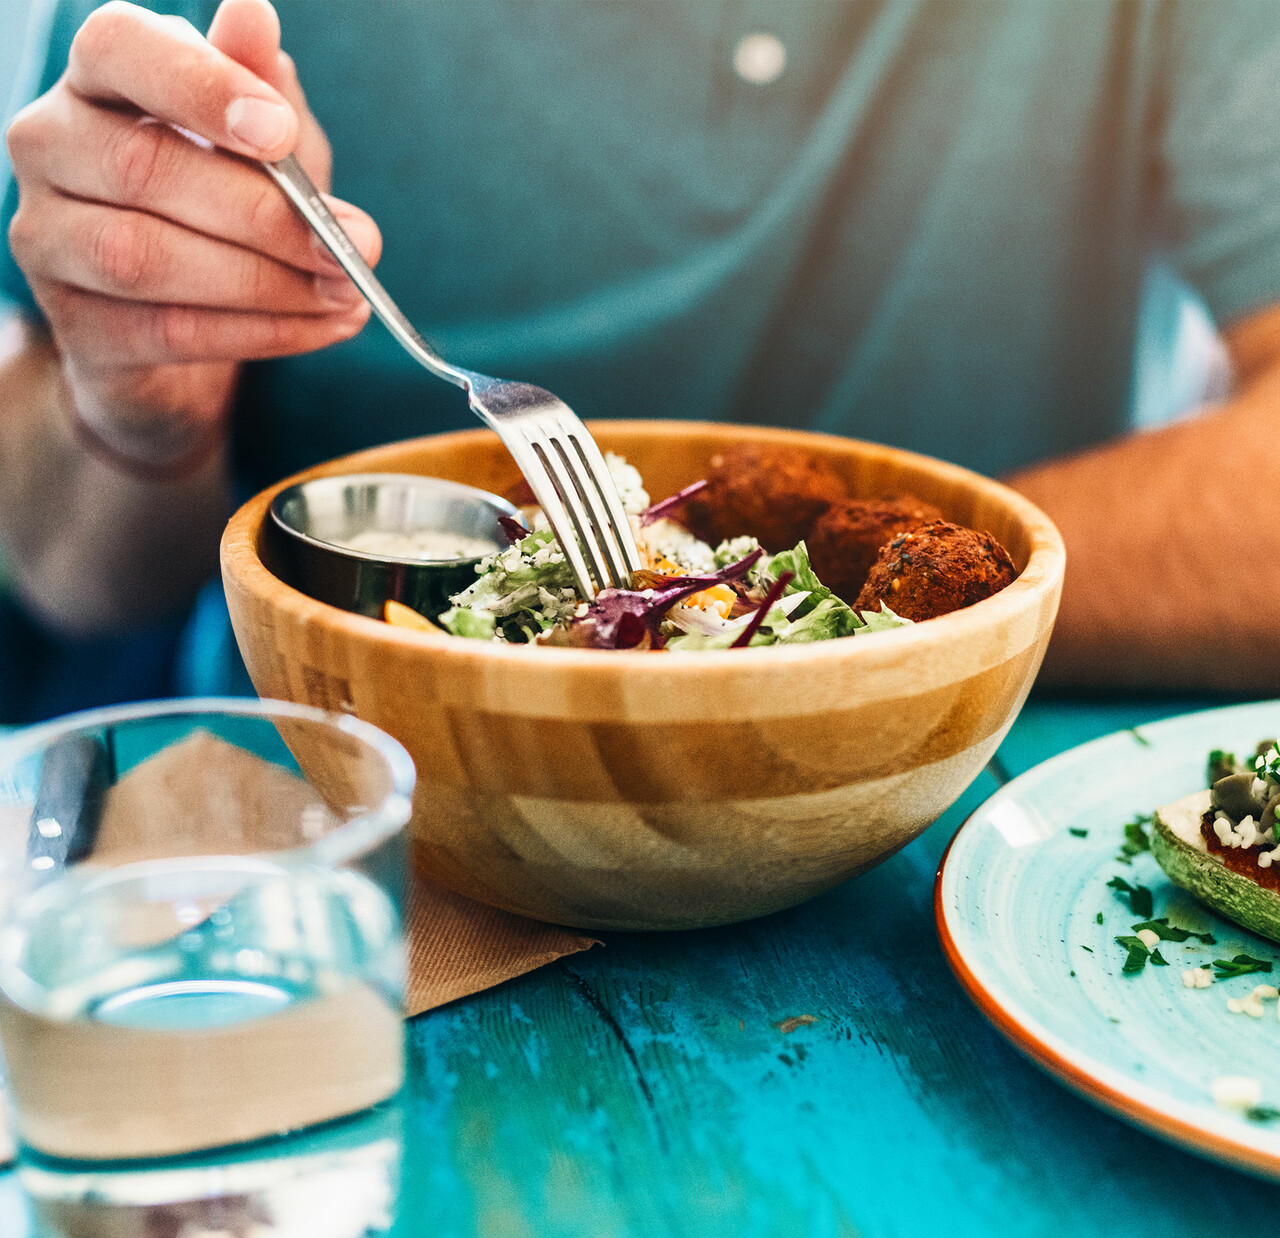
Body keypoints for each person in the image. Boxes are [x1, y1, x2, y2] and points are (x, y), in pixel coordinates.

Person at [2, 0, 1278, 713]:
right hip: (339, 809)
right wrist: (136, 410)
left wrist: (884, 615)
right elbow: (63, 565)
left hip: (940, 798)